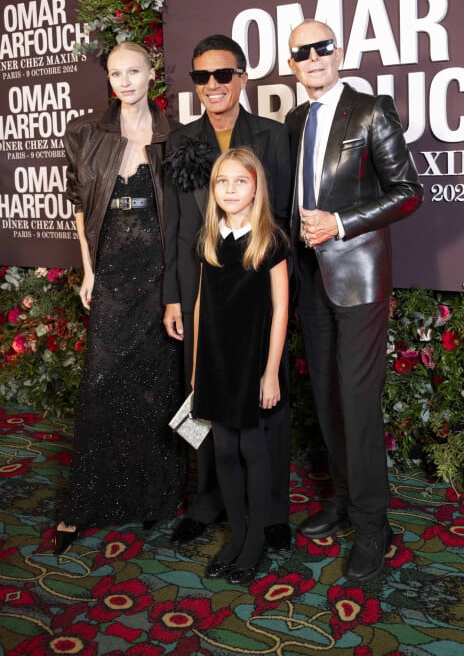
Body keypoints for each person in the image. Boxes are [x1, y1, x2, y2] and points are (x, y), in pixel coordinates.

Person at [285, 19, 423, 582]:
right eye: (301, 52)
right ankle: (344, 501)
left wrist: (341, 223)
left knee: (358, 404)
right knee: (325, 395)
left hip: (359, 278)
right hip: (308, 278)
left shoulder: (371, 110)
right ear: (292, 63)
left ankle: (373, 527)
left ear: (338, 52)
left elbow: (409, 192)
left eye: (322, 47)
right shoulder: (295, 119)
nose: (313, 58)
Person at [54, 42, 186, 554]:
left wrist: (176, 286)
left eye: (134, 70)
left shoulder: (174, 133)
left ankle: (157, 499)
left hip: (159, 273)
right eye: (116, 73)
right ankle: (85, 503)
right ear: (109, 78)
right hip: (110, 271)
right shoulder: (86, 132)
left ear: (152, 74)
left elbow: (185, 216)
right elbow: (77, 206)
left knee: (158, 386)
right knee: (103, 384)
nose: (125, 81)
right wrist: (88, 271)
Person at [162, 34, 292, 551]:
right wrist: (174, 294)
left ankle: (272, 512)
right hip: (203, 287)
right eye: (201, 77)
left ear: (242, 77)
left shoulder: (273, 135)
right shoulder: (180, 140)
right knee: (206, 394)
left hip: (259, 287)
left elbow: (278, 215)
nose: (212, 85)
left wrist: (280, 290)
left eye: (222, 74)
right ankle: (209, 502)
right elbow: (176, 225)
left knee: (267, 397)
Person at [192, 148, 290, 584]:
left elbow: (282, 311)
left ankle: (255, 541)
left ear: (256, 188)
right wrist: (197, 367)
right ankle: (236, 535)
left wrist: (270, 372)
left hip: (253, 363)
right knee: (223, 450)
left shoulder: (271, 240)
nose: (230, 190)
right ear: (214, 190)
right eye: (222, 182)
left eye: (240, 182)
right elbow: (200, 306)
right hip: (215, 362)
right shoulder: (208, 239)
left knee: (252, 449)